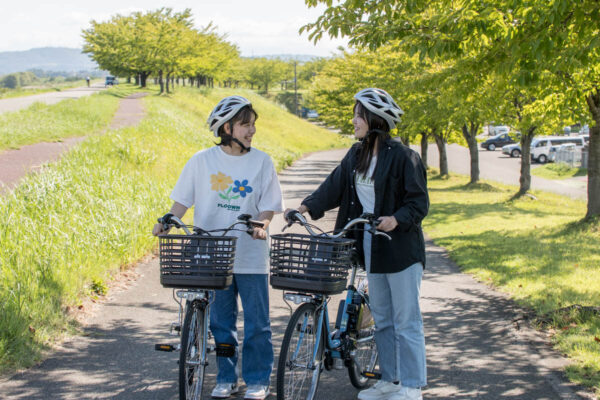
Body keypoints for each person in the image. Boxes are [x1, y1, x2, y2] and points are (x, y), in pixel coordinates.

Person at [287, 88, 429, 400]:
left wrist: (397, 219)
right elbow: (333, 186)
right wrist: (305, 207)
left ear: (376, 120)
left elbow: (418, 203)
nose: (354, 120)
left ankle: (412, 385)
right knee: (382, 319)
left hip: (401, 249)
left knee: (406, 320)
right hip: (369, 247)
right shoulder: (357, 153)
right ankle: (390, 381)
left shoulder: (405, 157)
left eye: (359, 115)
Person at [153, 95, 283, 400]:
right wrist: (168, 220)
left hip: (250, 255)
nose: (252, 131)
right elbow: (183, 200)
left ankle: (256, 380)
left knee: (257, 325)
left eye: (253, 125)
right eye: (245, 125)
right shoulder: (201, 161)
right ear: (227, 127)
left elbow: (269, 206)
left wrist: (262, 225)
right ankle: (226, 378)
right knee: (221, 324)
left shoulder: (262, 161)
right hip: (213, 256)